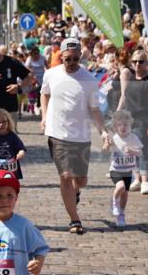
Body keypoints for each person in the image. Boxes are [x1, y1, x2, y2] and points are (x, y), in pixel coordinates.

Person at [40, 37, 109, 235]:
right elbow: (45, 94)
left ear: (80, 56)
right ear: (61, 56)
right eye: (67, 59)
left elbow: (94, 109)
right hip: (57, 133)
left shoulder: (89, 80)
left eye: (75, 59)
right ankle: (74, 219)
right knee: (65, 176)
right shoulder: (51, 74)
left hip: (81, 135)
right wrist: (44, 116)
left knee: (80, 180)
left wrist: (103, 131)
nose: (71, 63)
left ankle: (76, 191)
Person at [116, 46, 148, 194]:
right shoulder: (131, 78)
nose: (137, 64)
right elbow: (124, 96)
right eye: (134, 61)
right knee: (130, 150)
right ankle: (137, 179)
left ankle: (145, 181)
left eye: (141, 61)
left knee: (141, 149)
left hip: (143, 121)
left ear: (146, 63)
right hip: (129, 120)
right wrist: (117, 114)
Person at [105, 109, 143, 229]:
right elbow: (105, 150)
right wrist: (107, 144)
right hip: (115, 169)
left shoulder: (133, 138)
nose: (123, 127)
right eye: (120, 124)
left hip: (127, 170)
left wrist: (133, 151)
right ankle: (114, 203)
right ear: (115, 126)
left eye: (125, 124)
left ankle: (121, 214)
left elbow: (140, 152)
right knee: (120, 186)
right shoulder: (114, 138)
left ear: (130, 125)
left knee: (125, 193)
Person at [0, 108, 26, 178]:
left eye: (4, 121)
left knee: (10, 182)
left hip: (12, 169)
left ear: (8, 122)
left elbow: (21, 148)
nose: (1, 124)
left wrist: (21, 153)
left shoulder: (12, 136)